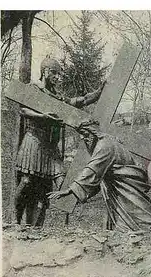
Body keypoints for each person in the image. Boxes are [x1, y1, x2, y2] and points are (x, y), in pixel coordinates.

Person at [47, 119, 151, 236]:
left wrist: (70, 190)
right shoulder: (110, 142)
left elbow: (92, 170)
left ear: (93, 133)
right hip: (123, 191)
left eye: (85, 135)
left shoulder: (104, 146)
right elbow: (97, 176)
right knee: (131, 228)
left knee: (148, 226)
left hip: (127, 191)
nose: (84, 140)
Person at [15, 56, 105, 227]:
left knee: (58, 185)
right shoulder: (35, 88)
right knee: (26, 182)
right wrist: (43, 116)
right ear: (46, 72)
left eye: (59, 74)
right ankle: (16, 221)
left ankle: (37, 228)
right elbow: (23, 109)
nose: (58, 78)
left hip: (51, 146)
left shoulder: (57, 96)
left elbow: (81, 101)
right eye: (55, 74)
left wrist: (98, 93)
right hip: (34, 140)